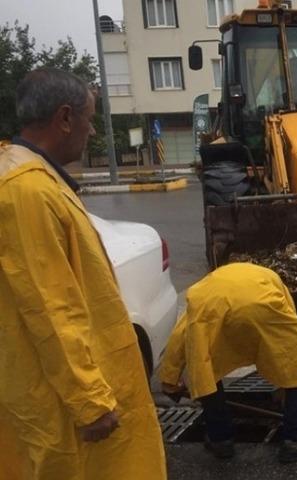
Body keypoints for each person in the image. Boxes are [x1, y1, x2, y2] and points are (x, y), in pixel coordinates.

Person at [0, 68, 166, 479]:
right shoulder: (26, 191)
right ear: (65, 118)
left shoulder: (29, 178)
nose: (92, 130)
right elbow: (49, 307)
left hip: (50, 391)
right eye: (90, 118)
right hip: (61, 405)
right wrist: (89, 400)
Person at [160, 262, 297, 463]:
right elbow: (288, 323)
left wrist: (170, 380)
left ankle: (220, 440)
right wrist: (286, 385)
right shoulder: (269, 277)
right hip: (262, 307)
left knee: (206, 368)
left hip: (213, 313)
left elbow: (180, 336)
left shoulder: (205, 291)